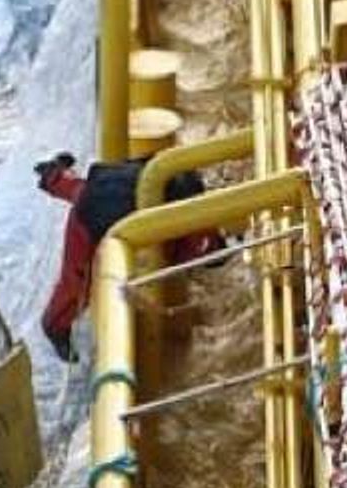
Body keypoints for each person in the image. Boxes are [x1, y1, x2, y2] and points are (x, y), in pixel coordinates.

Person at [35, 152, 223, 362]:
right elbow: (201, 250)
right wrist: (216, 250)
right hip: (91, 221)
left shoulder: (168, 171)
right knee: (77, 285)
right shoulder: (180, 208)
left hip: (111, 182)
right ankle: (54, 326)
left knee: (81, 189)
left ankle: (53, 175)